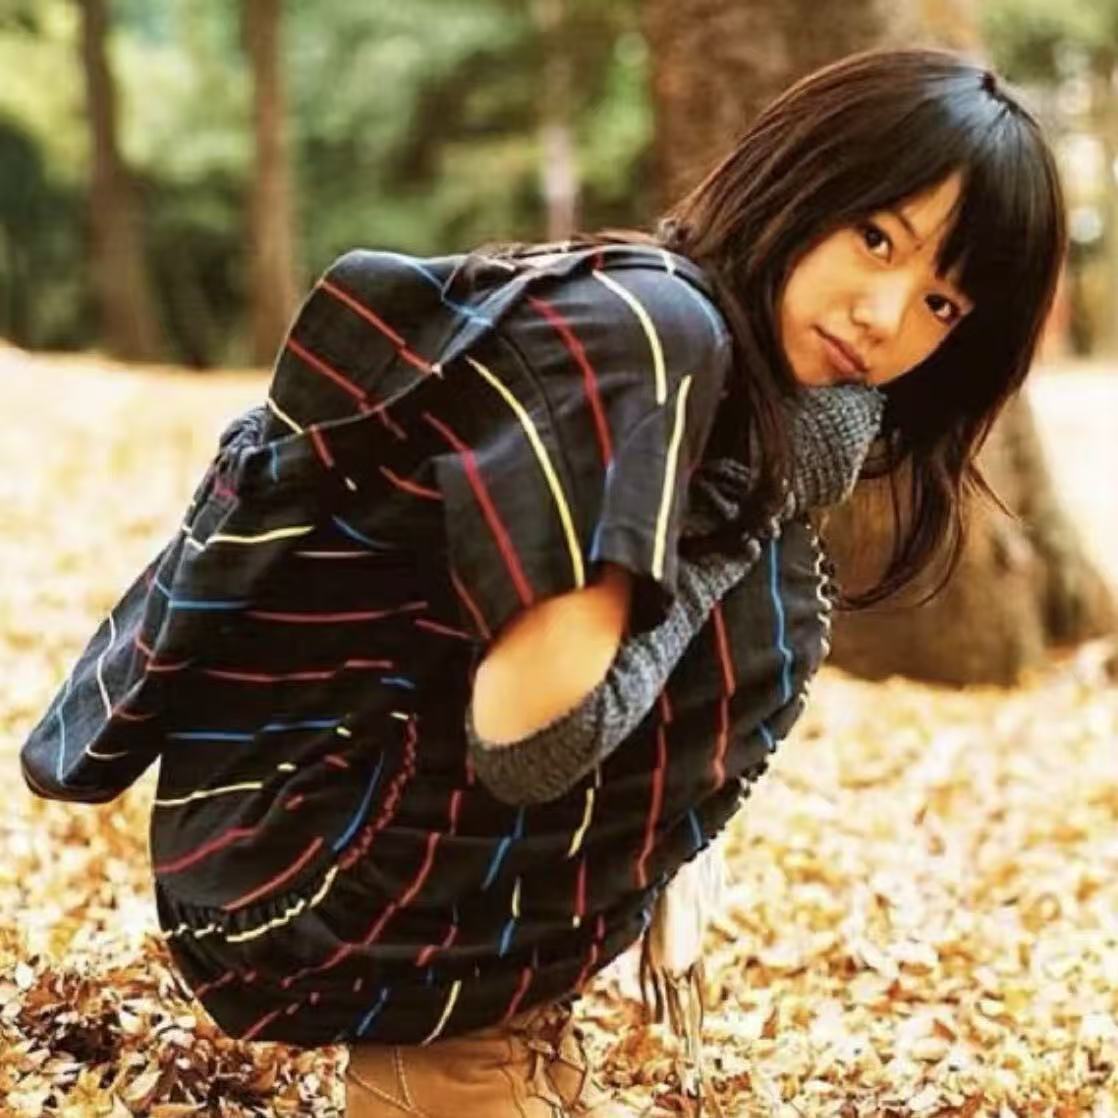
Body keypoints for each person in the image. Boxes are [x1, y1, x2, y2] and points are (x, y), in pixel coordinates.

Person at [19, 46, 1065, 1117]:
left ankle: (495, 1017)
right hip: (298, 865)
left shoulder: (701, 361)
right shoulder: (654, 331)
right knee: (758, 578)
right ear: (803, 179)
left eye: (941, 303)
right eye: (876, 238)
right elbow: (532, 739)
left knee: (769, 572)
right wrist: (742, 528)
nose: (885, 316)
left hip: (325, 830)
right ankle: (447, 1053)